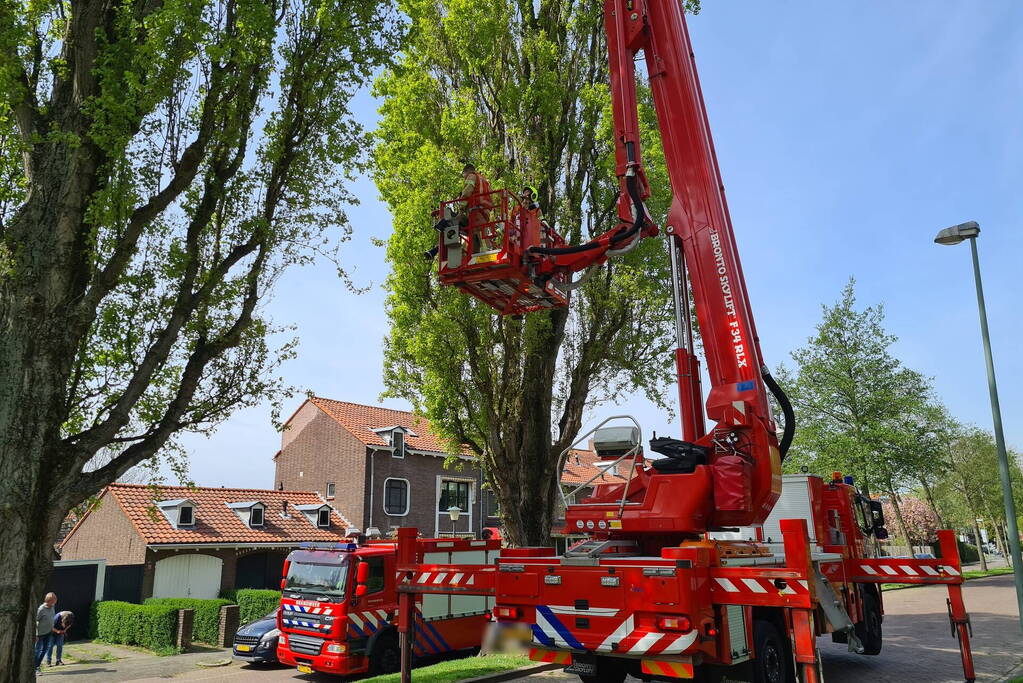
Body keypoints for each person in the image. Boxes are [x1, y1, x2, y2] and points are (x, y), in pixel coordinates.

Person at [424, 163, 495, 260]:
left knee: (479, 233)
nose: (464, 178)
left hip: (476, 210)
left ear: (467, 171)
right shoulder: (485, 181)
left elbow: (467, 192)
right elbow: (492, 198)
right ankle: (475, 255)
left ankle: (487, 255)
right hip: (485, 211)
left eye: (463, 176)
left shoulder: (471, 176)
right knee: (476, 234)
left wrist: (461, 208)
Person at [34, 592, 57, 672]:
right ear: (49, 601)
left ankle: (37, 665)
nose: (55, 601)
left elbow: (51, 618)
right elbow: (35, 621)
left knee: (45, 649)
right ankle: (35, 668)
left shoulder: (52, 606)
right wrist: (36, 634)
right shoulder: (41, 609)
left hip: (49, 632)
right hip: (40, 634)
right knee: (37, 651)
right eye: (54, 600)